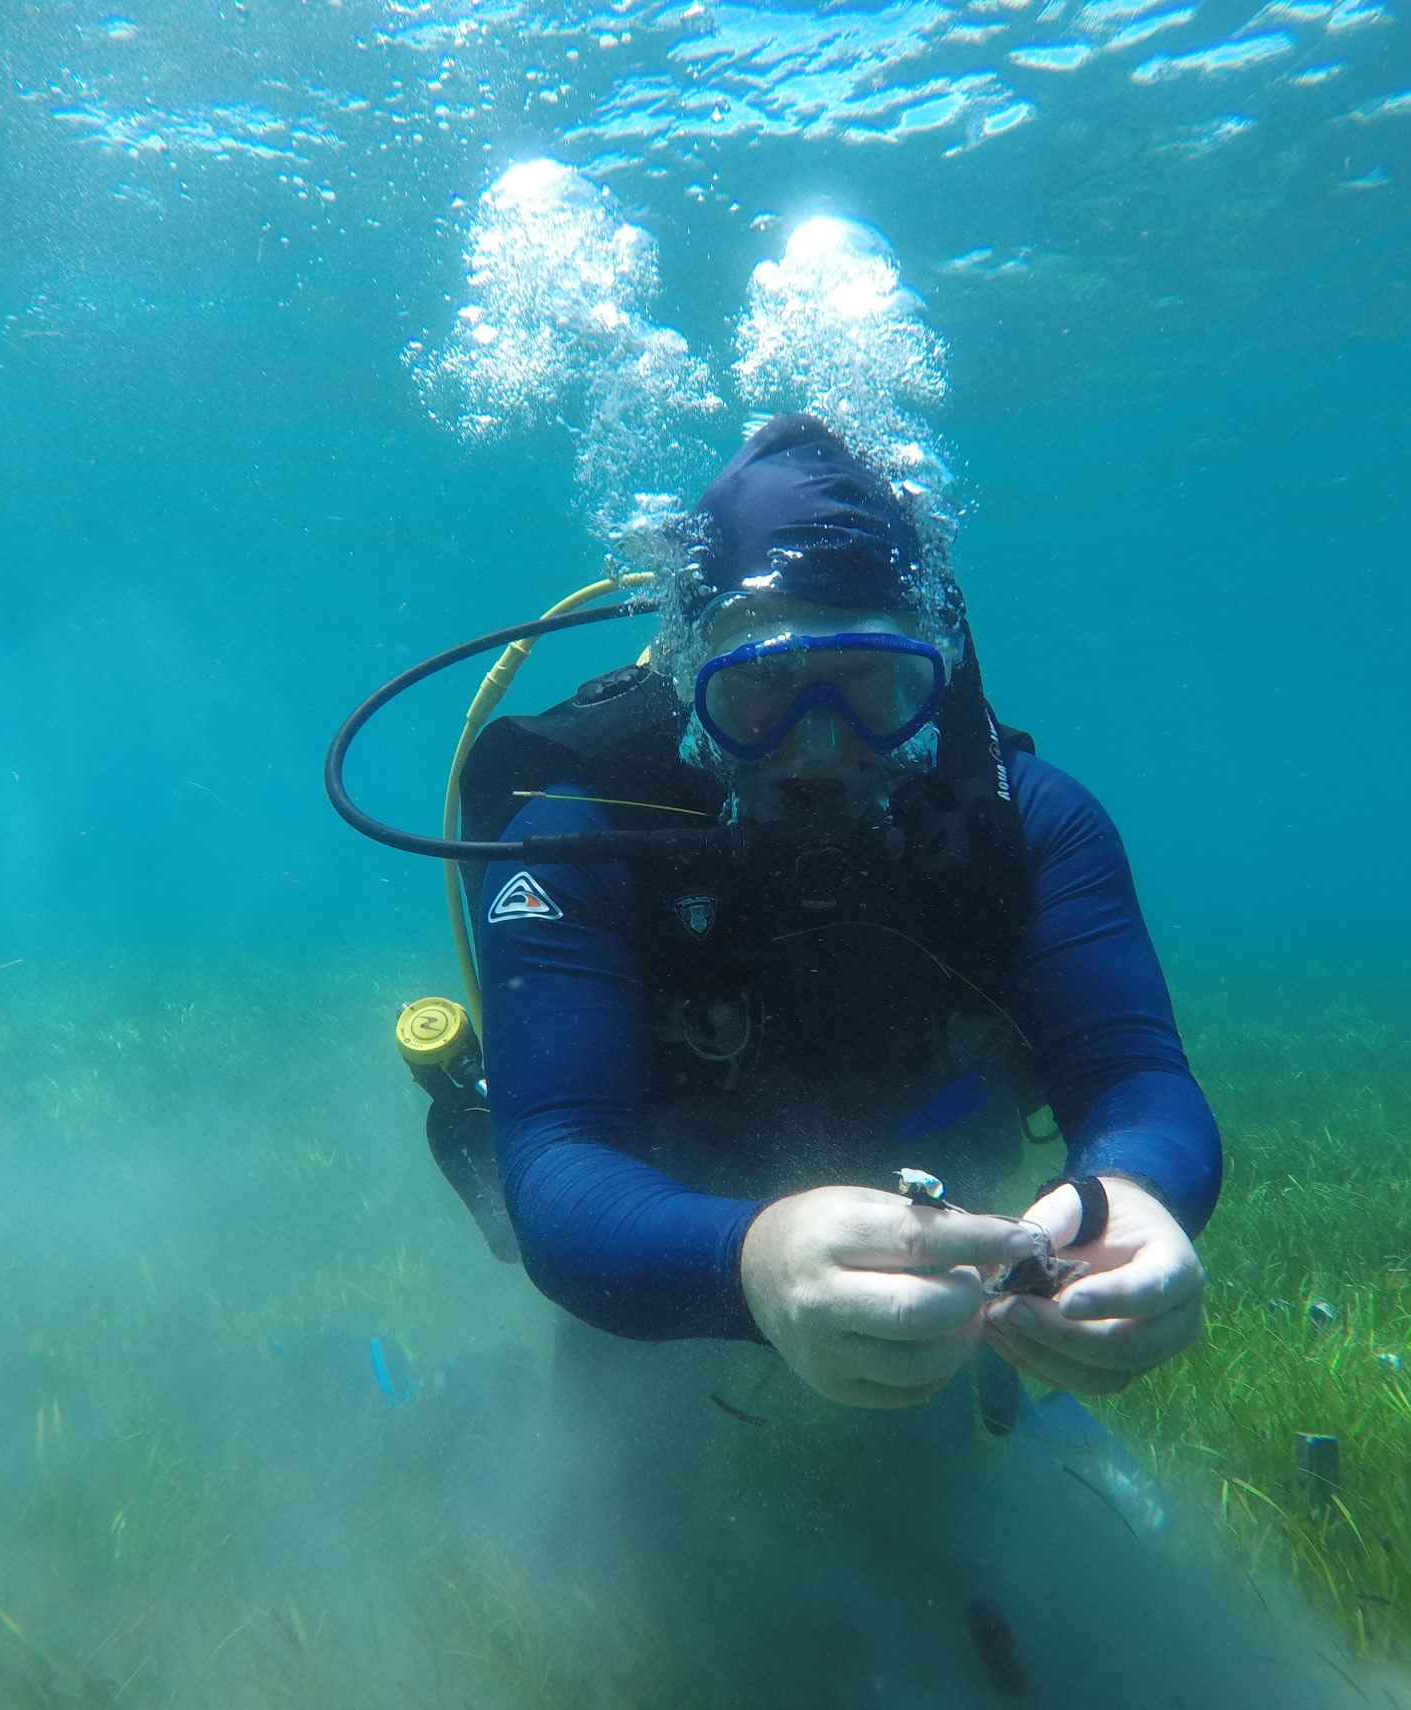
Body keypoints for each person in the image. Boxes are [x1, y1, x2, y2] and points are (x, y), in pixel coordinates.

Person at [460, 413, 1217, 1409]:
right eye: (762, 692)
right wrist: (750, 1260)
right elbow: (556, 1159)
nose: (822, 750)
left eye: (874, 686)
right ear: (690, 674)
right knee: (621, 1476)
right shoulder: (578, 840)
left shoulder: (1030, 824)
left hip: (951, 1241)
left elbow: (1134, 1075)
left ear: (933, 675)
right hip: (668, 1227)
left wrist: (1135, 1195)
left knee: (947, 1475)